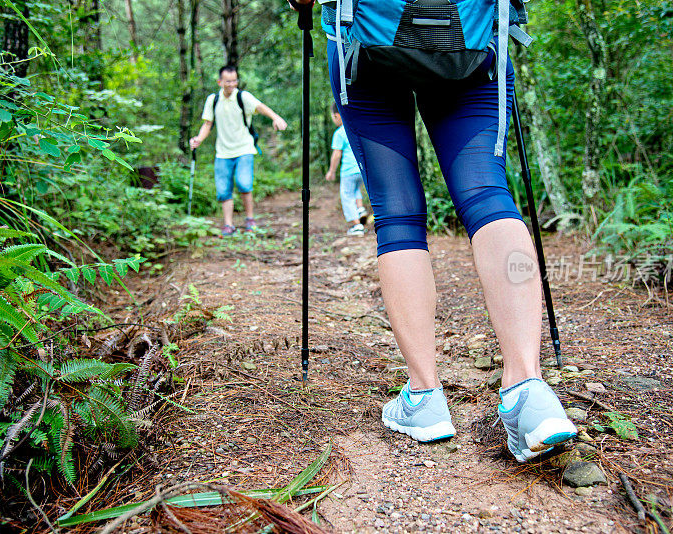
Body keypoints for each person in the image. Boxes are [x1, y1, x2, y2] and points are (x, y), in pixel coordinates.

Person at [293, 0, 577, 463]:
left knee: (397, 214)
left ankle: (425, 398)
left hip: (364, 48)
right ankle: (529, 389)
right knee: (488, 196)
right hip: (471, 43)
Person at [190, 65, 288, 236]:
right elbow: (207, 124)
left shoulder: (243, 97)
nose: (231, 84)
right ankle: (228, 225)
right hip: (222, 152)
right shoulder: (212, 100)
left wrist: (275, 117)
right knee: (223, 190)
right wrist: (199, 139)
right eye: (228, 81)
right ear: (220, 82)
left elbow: (260, 107)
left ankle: (250, 220)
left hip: (244, 149)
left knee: (244, 183)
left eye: (234, 80)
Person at [325, 102, 368, 236]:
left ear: (337, 116)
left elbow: (337, 154)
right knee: (355, 190)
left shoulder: (339, 133)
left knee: (346, 196)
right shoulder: (355, 129)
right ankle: (360, 209)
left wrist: (331, 171)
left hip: (348, 171)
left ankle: (357, 226)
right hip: (361, 170)